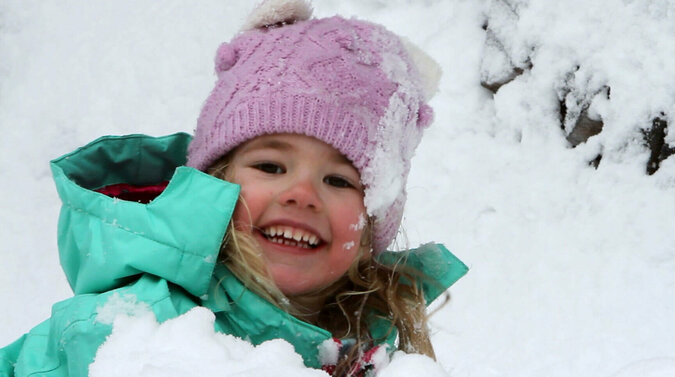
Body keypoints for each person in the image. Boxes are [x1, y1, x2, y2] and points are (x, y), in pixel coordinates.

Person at [0, 1, 467, 376]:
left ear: (371, 227)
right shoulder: (130, 330)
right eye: (269, 165)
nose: (301, 194)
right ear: (216, 183)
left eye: (339, 180)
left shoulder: (375, 350)